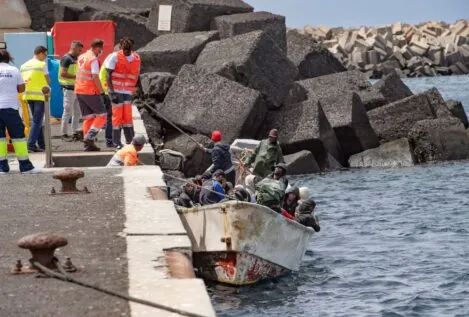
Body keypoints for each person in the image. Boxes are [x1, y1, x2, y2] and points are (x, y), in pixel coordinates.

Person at [0, 50, 40, 173]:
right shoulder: (14, 70)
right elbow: (21, 88)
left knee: (0, 139)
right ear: (8, 59)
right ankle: (25, 166)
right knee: (18, 137)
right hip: (11, 108)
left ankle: (2, 167)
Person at [102, 38, 141, 148]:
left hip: (128, 91)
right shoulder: (114, 56)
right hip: (116, 91)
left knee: (127, 117)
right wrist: (111, 92)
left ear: (132, 48)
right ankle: (116, 141)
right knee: (117, 117)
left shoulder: (136, 57)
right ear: (121, 47)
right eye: (125, 49)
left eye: (128, 50)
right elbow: (108, 74)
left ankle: (130, 139)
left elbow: (137, 75)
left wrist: (138, 89)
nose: (126, 52)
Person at [75, 39, 107, 152]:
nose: (101, 52)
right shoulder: (93, 59)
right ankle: (89, 137)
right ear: (97, 48)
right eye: (101, 49)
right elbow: (95, 76)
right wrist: (102, 91)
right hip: (90, 91)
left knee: (89, 118)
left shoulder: (82, 56)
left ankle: (88, 145)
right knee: (102, 115)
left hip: (79, 90)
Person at [20, 45, 50, 153]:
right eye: (45, 54)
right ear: (40, 53)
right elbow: (47, 80)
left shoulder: (24, 65)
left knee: (37, 121)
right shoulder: (42, 64)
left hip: (28, 95)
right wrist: (49, 90)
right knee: (37, 121)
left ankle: (41, 144)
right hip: (39, 96)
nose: (45, 57)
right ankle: (30, 144)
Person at [59, 41, 83, 142]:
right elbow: (63, 73)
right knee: (67, 111)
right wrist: (77, 76)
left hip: (76, 88)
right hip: (69, 89)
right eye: (79, 50)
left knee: (77, 112)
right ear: (74, 48)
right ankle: (63, 133)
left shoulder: (75, 59)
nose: (80, 52)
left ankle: (75, 132)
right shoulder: (66, 58)